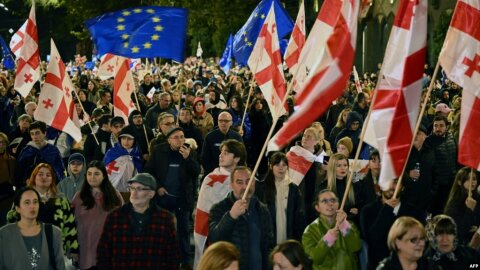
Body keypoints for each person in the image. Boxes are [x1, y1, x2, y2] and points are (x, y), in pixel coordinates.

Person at [97, 173, 179, 269]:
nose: (134, 193)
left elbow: (173, 256)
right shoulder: (114, 217)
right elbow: (103, 252)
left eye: (139, 189)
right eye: (132, 188)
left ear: (151, 194)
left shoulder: (165, 219)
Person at [144, 127, 200, 268]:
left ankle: (186, 260)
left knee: (183, 230)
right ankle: (161, 257)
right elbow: (149, 171)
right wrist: (157, 187)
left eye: (182, 137)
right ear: (169, 139)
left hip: (182, 198)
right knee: (161, 229)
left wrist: (187, 158)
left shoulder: (189, 151)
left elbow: (196, 172)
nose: (180, 140)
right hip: (163, 198)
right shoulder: (158, 151)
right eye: (176, 137)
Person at [194, 139, 247, 268]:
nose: (220, 155)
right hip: (214, 232)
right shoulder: (211, 179)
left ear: (236, 158)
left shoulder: (247, 180)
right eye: (221, 152)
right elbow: (213, 208)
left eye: (226, 153)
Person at [209, 166, 274, 270]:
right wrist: (231, 216)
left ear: (254, 183)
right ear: (231, 185)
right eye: (239, 182)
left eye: (249, 181)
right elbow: (214, 239)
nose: (245, 187)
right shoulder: (219, 208)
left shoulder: (262, 210)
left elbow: (269, 245)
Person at [8, 163, 79, 258]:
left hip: (55, 251)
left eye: (48, 175)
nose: (44, 177)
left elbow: (70, 225)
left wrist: (74, 249)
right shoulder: (23, 197)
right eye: (40, 174)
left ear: (52, 179)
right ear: (34, 177)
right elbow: (11, 221)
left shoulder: (61, 199)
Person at [360, 179, 425, 270]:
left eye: (395, 182)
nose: (391, 186)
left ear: (403, 187)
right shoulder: (367, 211)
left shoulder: (415, 212)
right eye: (387, 180)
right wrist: (386, 210)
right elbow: (371, 240)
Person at [71, 161, 124, 270]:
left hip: (108, 248)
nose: (92, 177)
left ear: (104, 175)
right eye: (89, 174)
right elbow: (70, 224)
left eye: (96, 174)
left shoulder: (115, 195)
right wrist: (73, 249)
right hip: (85, 246)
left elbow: (123, 223)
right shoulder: (78, 197)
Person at [0, 187, 66, 270]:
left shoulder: (53, 232)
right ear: (18, 208)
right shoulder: (4, 234)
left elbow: (60, 266)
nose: (32, 206)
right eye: (27, 202)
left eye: (35, 202)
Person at [302, 189, 361, 270]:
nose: (330, 204)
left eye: (333, 200)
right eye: (324, 201)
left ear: (338, 204)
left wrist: (344, 225)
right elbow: (313, 259)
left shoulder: (349, 224)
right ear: (317, 207)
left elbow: (356, 247)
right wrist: (327, 240)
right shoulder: (310, 231)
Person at [256, 152, 306, 243]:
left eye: (284, 164)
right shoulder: (262, 187)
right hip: (268, 238)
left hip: (289, 237)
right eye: (277, 164)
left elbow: (299, 215)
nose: (281, 168)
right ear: (271, 166)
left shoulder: (293, 188)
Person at [421, 115, 458, 216]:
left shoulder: (451, 138)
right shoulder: (428, 142)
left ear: (446, 127)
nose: (438, 129)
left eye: (441, 126)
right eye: (435, 126)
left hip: (451, 183)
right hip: (438, 186)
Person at [16, 121, 66, 185]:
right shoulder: (26, 151)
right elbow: (19, 172)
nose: (34, 136)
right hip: (31, 187)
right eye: (32, 134)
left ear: (44, 133)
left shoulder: (53, 150)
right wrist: (25, 181)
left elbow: (60, 170)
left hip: (50, 186)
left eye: (37, 133)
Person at [444, 167, 480, 245]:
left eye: (474, 179)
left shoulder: (477, 198)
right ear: (459, 182)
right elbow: (460, 231)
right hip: (461, 244)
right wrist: (469, 210)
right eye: (467, 179)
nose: (472, 182)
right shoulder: (455, 203)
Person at [103, 127, 143, 196]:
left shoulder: (136, 154)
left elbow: (138, 174)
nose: (126, 142)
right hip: (112, 192)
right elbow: (104, 172)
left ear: (134, 140)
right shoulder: (111, 153)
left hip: (130, 193)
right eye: (123, 138)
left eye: (129, 139)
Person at [202, 111, 243, 175]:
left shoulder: (237, 137)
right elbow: (205, 158)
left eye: (226, 121)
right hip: (214, 173)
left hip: (232, 173)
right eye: (220, 121)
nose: (223, 123)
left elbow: (241, 156)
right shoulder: (210, 137)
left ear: (231, 123)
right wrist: (213, 173)